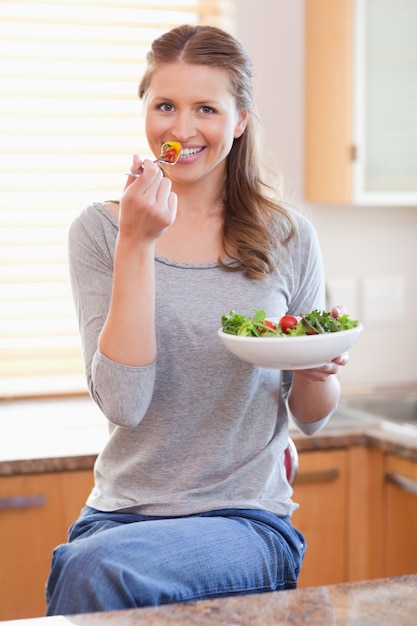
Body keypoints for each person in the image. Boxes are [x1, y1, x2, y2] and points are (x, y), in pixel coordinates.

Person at [46, 24, 349, 615]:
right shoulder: (102, 231)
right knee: (91, 564)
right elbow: (124, 404)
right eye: (165, 105)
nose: (181, 129)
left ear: (238, 121)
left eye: (205, 108)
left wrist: (317, 374)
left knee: (88, 571)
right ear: (145, 111)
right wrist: (136, 244)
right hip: (118, 515)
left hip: (245, 520)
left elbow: (312, 419)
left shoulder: (287, 236)